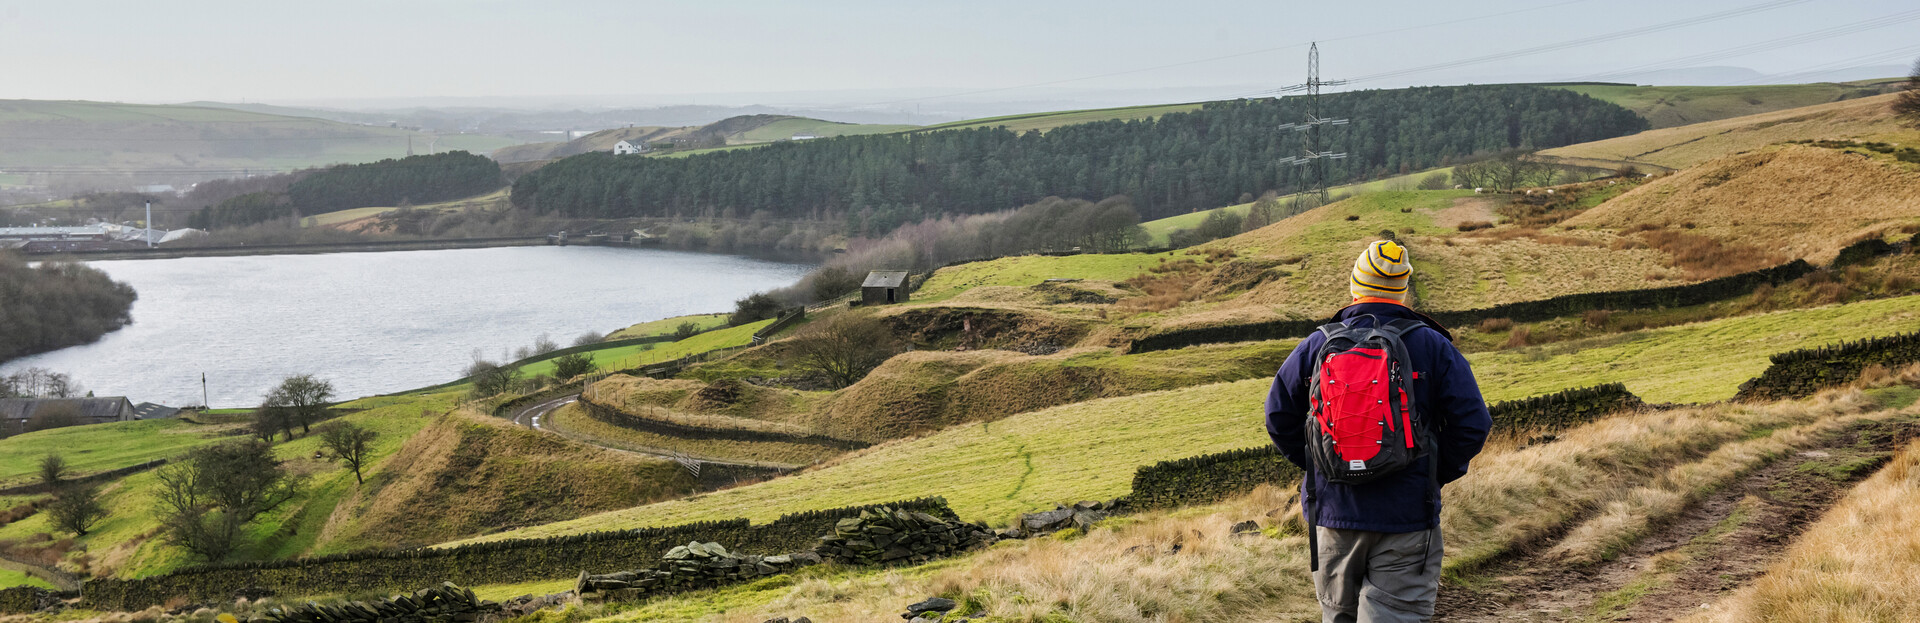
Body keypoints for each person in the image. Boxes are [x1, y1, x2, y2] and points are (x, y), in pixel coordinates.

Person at [1265, 239, 1491, 623]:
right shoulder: (1433, 346)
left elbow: (1278, 417)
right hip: (1406, 516)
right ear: (1403, 293)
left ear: (1355, 286)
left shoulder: (1317, 344)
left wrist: (1321, 466)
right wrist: (1430, 473)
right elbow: (1473, 424)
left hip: (1334, 515)